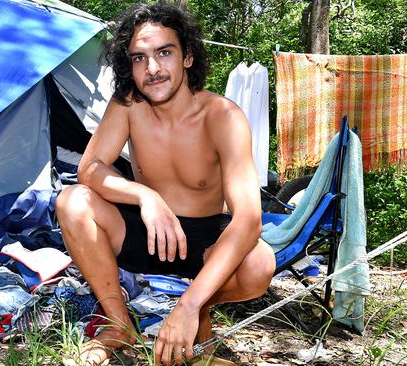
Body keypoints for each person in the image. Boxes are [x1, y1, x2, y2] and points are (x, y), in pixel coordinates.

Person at [55, 3, 275, 365]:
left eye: (164, 53)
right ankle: (118, 322)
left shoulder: (222, 116)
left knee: (259, 264)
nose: (152, 68)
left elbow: (249, 219)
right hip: (147, 232)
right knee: (71, 201)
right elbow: (89, 168)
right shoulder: (127, 105)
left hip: (206, 243)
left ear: (187, 57)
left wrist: (188, 306)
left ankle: (200, 307)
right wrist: (145, 196)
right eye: (139, 58)